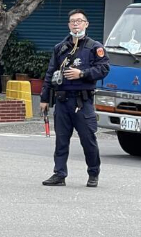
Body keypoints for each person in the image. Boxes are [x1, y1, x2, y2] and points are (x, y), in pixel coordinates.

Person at [40, 9, 110, 187]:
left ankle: (93, 173)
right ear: (68, 25)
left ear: (86, 24)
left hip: (82, 101)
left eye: (79, 21)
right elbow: (50, 73)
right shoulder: (60, 48)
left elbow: (104, 69)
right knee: (61, 140)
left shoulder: (95, 47)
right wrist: (44, 98)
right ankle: (59, 174)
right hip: (62, 100)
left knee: (88, 140)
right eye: (72, 21)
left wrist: (82, 74)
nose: (76, 24)